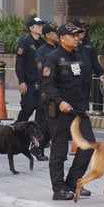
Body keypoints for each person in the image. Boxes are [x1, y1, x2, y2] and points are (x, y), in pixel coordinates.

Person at [41, 23, 96, 201]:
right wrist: (59, 101)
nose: (77, 38)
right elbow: (47, 84)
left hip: (79, 110)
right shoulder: (53, 58)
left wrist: (86, 106)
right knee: (59, 151)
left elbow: (85, 82)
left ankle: (73, 182)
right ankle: (59, 189)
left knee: (88, 146)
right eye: (73, 36)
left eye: (78, 35)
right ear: (62, 38)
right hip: (61, 111)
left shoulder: (81, 55)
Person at [15, 16, 48, 161]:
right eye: (38, 25)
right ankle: (15, 132)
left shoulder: (43, 43)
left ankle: (37, 146)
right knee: (28, 109)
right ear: (31, 28)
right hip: (28, 83)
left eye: (41, 25)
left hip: (40, 84)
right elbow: (19, 64)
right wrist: (21, 81)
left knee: (42, 112)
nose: (41, 27)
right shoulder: (25, 42)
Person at [34, 21, 60, 157]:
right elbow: (41, 72)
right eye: (55, 32)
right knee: (46, 123)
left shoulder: (59, 48)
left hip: (58, 90)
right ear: (48, 35)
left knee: (55, 122)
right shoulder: (42, 51)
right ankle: (38, 147)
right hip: (47, 90)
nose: (57, 35)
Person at [72, 19, 104, 92]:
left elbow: (94, 60)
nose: (83, 30)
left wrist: (100, 75)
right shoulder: (70, 43)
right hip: (73, 82)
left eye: (84, 28)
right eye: (81, 28)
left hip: (86, 81)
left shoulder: (88, 43)